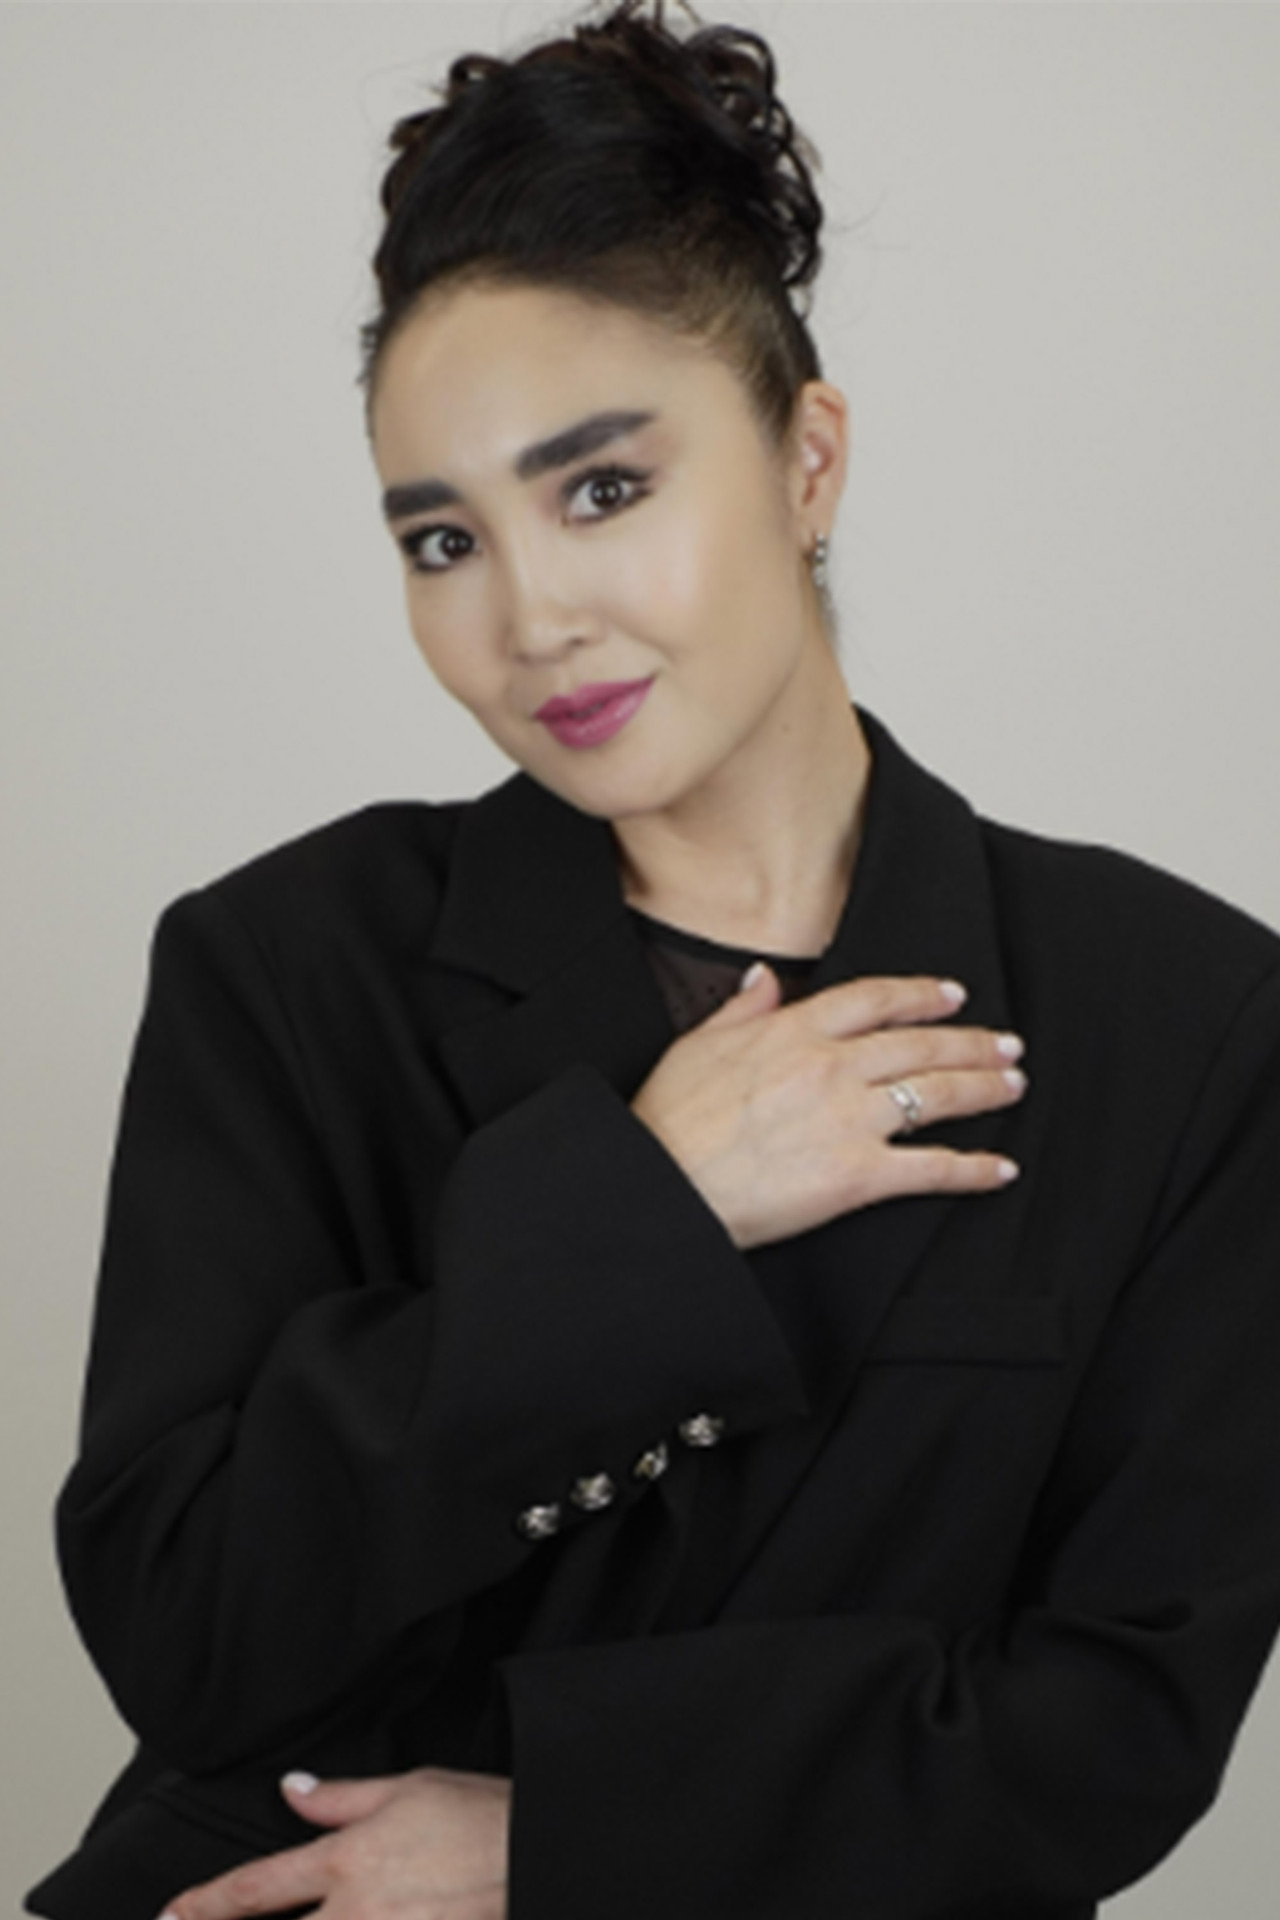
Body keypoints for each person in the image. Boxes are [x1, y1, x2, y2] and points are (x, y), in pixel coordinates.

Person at [24, 1, 1280, 1916]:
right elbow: (190, 1632)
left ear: (808, 461)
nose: (529, 616)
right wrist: (646, 1214)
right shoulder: (286, 965)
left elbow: (1118, 1720)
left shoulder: (1184, 1022)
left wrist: (564, 1838)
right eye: (442, 542)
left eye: (603, 489)